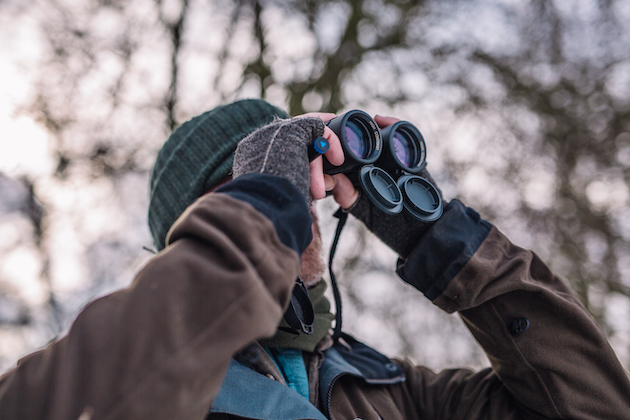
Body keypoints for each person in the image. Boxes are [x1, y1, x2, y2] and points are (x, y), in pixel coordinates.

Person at [0, 99, 629, 420]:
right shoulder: (122, 369)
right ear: (191, 237)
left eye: (302, 182)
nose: (301, 205)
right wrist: (265, 204)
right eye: (254, 193)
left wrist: (441, 241)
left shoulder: (394, 393)